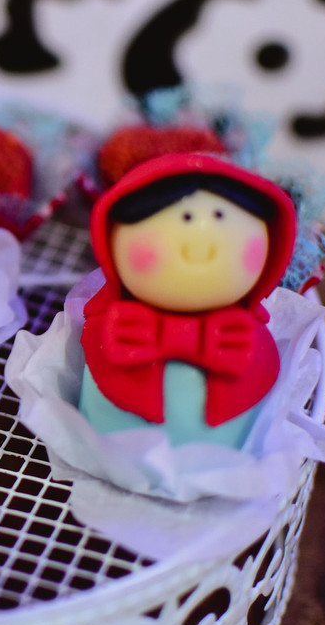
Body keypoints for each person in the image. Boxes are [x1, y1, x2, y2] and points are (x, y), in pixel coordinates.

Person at [79, 152, 297, 447]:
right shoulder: (112, 329)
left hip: (228, 467)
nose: (199, 249)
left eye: (221, 217)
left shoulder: (245, 339)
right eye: (185, 218)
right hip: (101, 452)